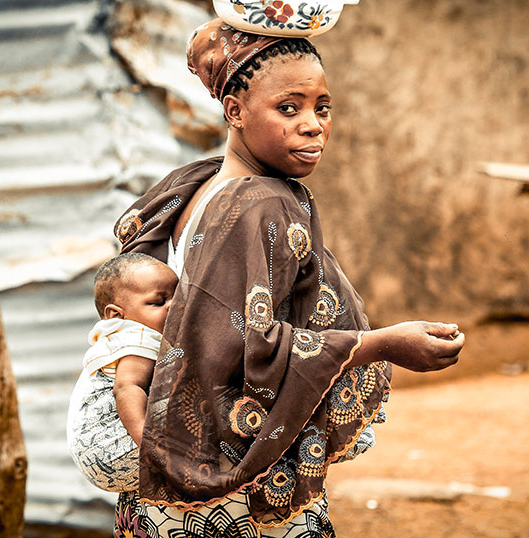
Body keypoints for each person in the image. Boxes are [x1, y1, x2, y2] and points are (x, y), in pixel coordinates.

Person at [111, 18, 465, 537]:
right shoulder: (257, 204)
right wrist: (384, 343)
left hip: (173, 485)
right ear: (235, 111)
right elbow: (250, 348)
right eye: (288, 107)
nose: (313, 124)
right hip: (234, 500)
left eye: (323, 107)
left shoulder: (201, 186)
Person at [66, 252, 178, 492]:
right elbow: (127, 388)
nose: (174, 306)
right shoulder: (136, 336)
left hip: (98, 459)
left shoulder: (118, 336)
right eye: (159, 302)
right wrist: (152, 447)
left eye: (178, 297)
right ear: (117, 315)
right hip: (115, 446)